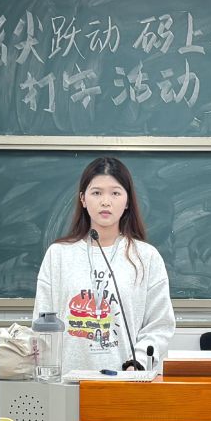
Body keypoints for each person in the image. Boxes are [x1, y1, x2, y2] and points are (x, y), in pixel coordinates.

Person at [33, 157, 175, 373]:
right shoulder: (58, 254)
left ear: (127, 201)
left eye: (115, 193)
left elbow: (160, 324)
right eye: (97, 193)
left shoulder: (146, 257)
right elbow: (42, 323)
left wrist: (137, 363)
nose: (106, 201)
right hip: (67, 381)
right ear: (83, 199)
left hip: (125, 381)